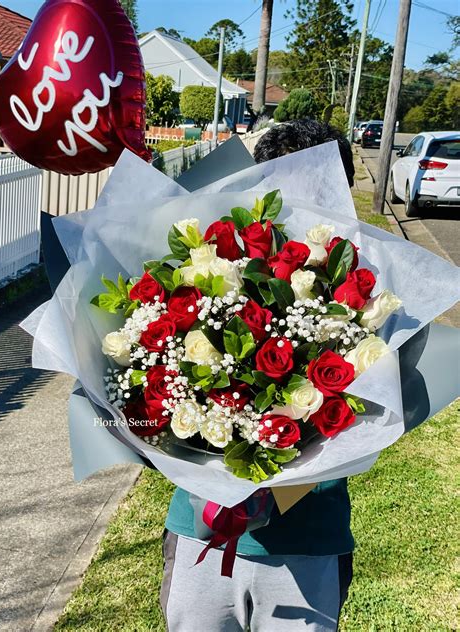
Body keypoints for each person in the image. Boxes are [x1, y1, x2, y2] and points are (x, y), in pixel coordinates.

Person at [160, 119, 356, 632]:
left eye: (322, 189)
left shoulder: (359, 288)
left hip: (308, 538)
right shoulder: (218, 263)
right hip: (202, 526)